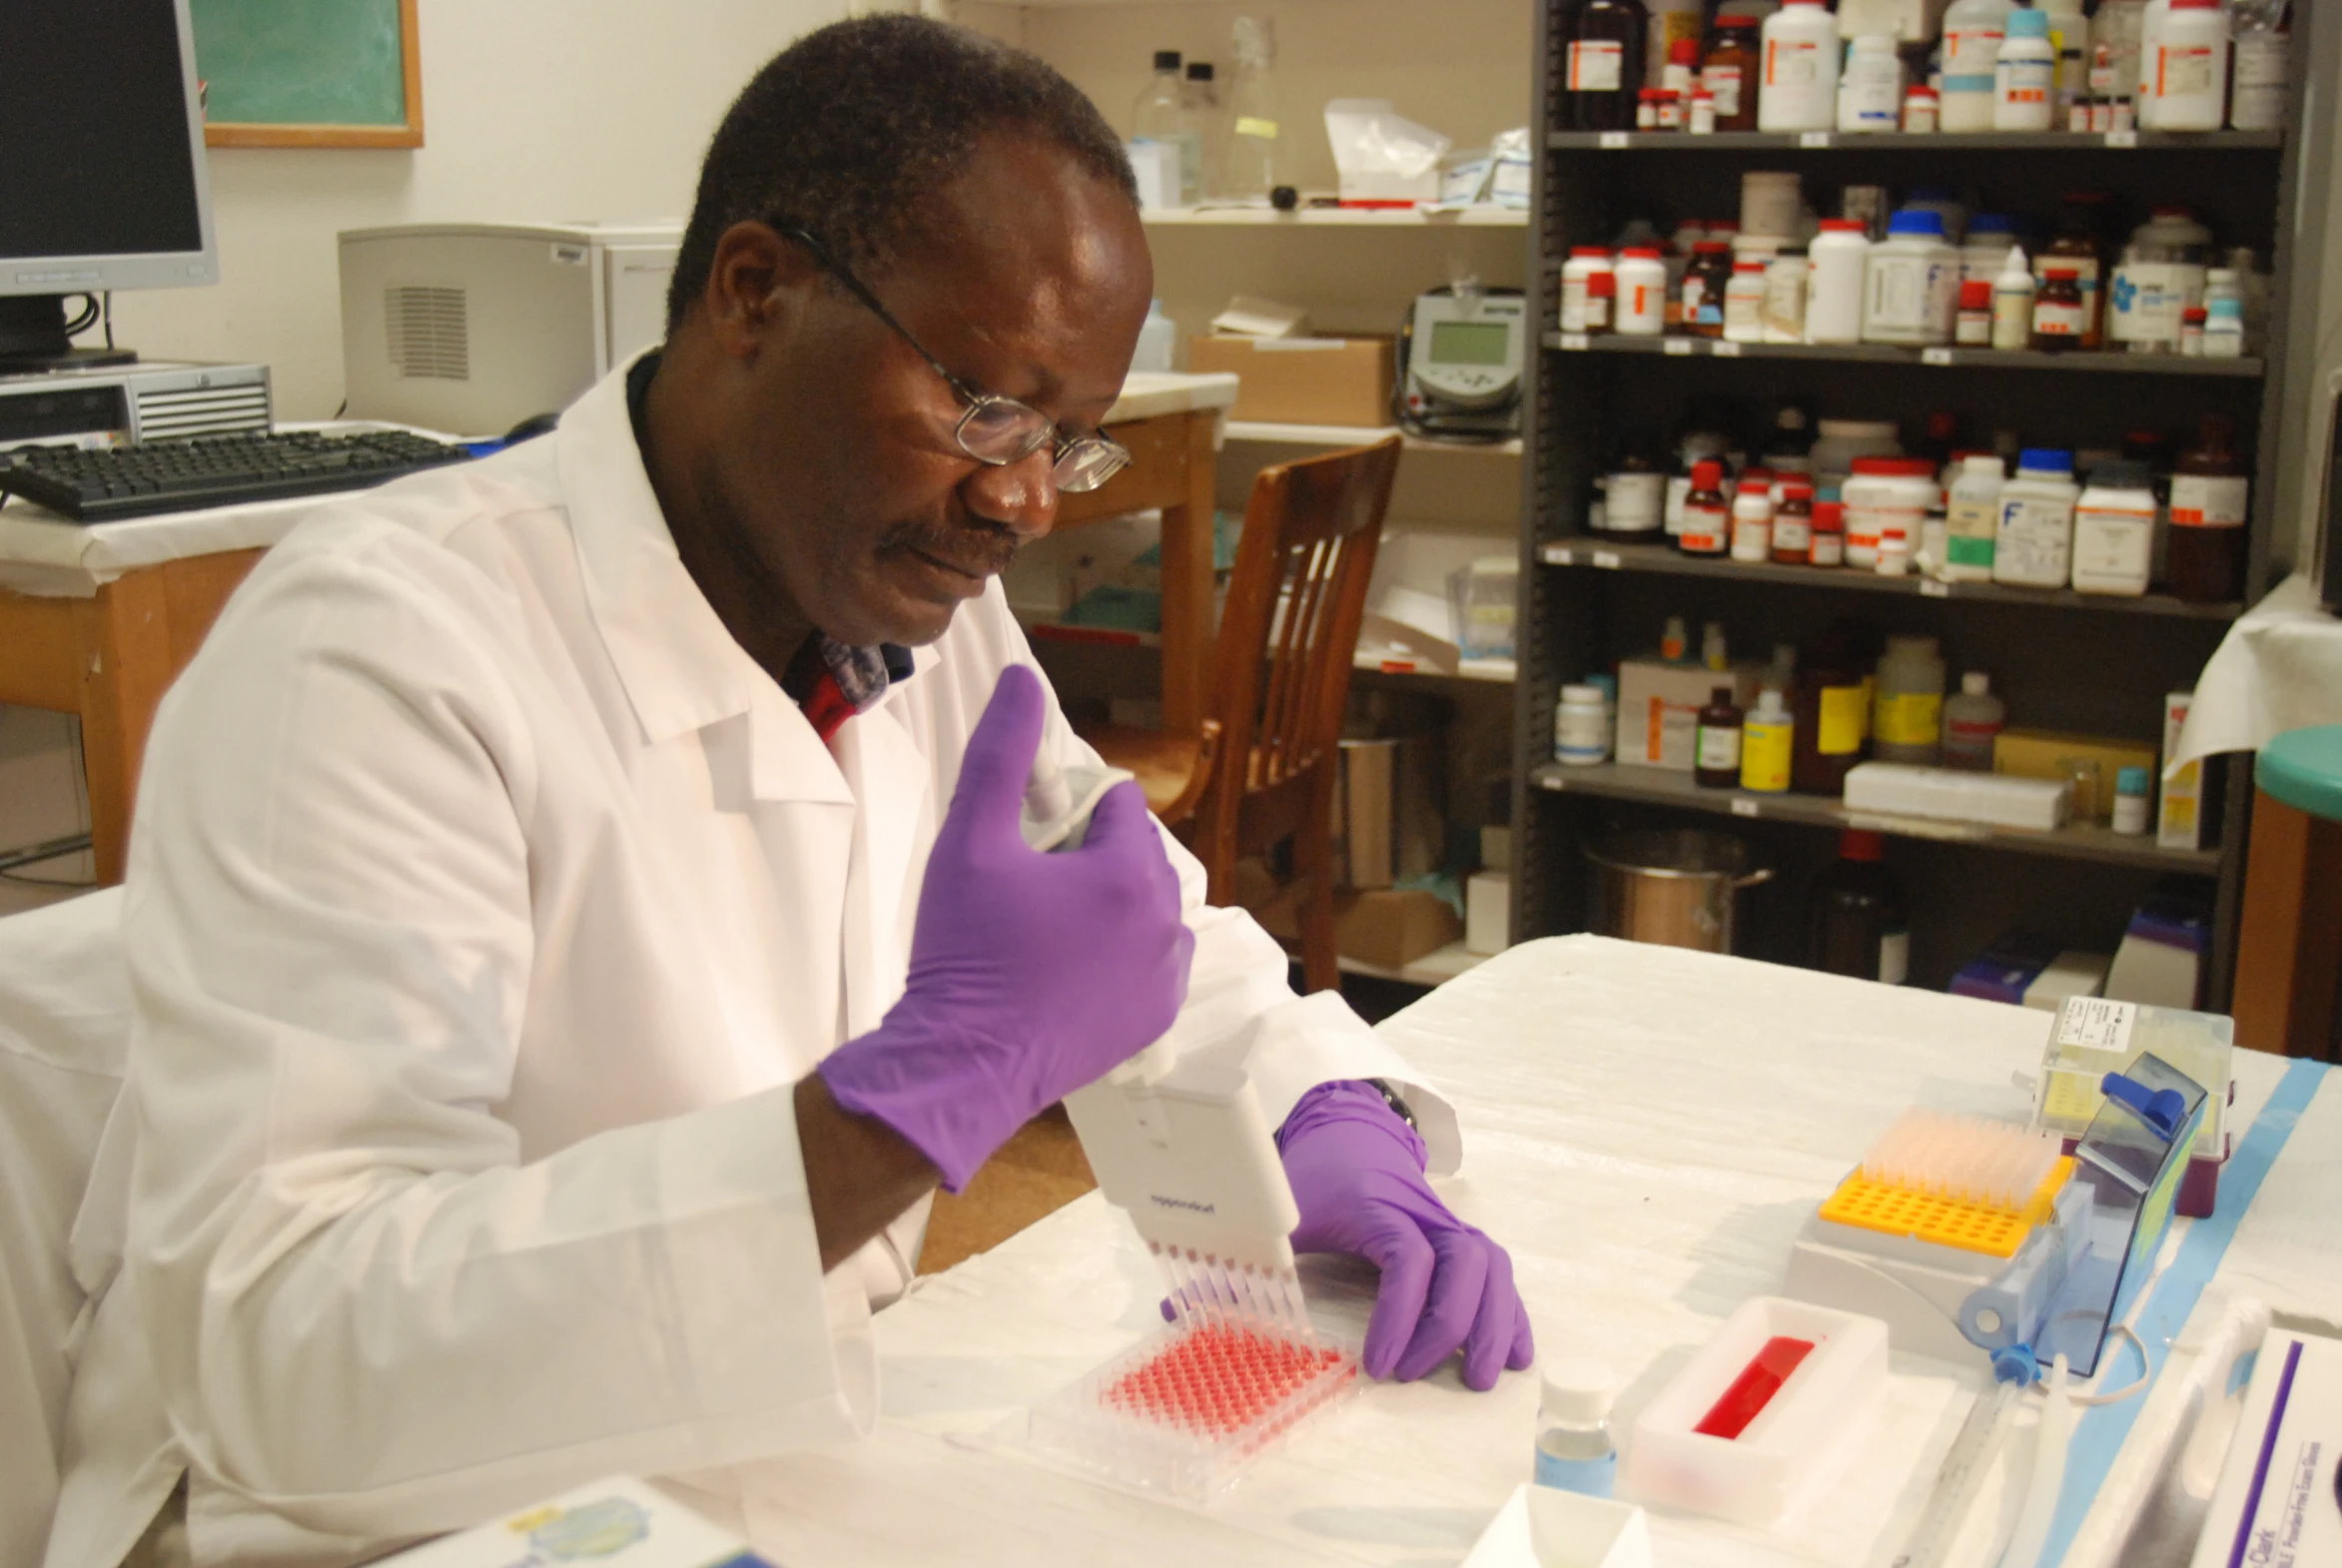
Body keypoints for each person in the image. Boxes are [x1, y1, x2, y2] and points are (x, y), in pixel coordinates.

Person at [40, 19, 1531, 1568]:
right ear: (757, 291)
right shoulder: (378, 650)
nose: (1023, 497)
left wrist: (1324, 1100)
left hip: (755, 1447)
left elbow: (1119, 908)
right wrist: (901, 1107)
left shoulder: (895, 592)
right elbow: (285, 1356)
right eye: (985, 404)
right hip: (358, 1521)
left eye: (1068, 442)